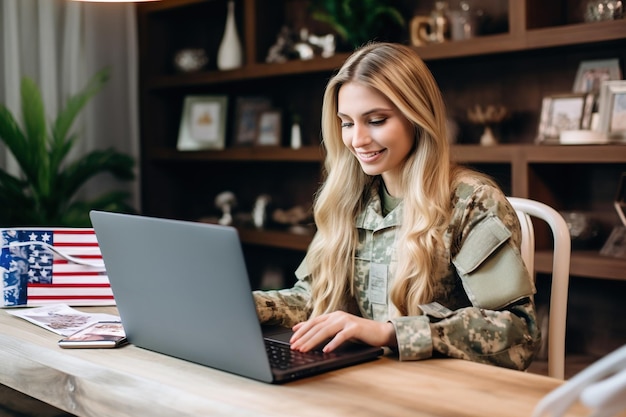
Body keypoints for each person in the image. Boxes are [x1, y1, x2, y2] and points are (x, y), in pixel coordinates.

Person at [253, 42, 540, 371]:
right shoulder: (349, 198)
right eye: (347, 123)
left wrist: (390, 333)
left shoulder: (472, 202)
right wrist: (251, 305)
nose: (357, 140)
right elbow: (313, 299)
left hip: (443, 388)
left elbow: (519, 334)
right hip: (368, 379)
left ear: (417, 118)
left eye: (375, 120)